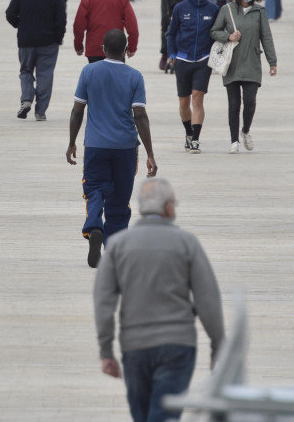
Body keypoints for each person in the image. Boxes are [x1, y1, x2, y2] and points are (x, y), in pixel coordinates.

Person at [93, 177, 224, 422]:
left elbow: (103, 301)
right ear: (168, 207)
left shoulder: (118, 245)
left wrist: (106, 350)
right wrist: (218, 345)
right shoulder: (187, 243)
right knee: (164, 416)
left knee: (142, 416)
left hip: (135, 347)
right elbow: (208, 299)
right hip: (178, 345)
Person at [66, 30, 156, 268]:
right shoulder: (135, 76)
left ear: (103, 48)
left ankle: (95, 226)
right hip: (125, 147)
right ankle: (115, 247)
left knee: (94, 189)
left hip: (96, 145)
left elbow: (77, 111)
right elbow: (140, 116)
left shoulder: (89, 71)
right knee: (119, 199)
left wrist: (72, 141)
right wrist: (150, 153)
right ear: (126, 50)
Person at [211, 0, 277, 155]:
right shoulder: (227, 10)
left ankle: (245, 130)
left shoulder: (259, 11)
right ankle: (234, 141)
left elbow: (267, 37)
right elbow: (214, 31)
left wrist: (273, 62)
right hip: (231, 64)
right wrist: (228, 36)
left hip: (252, 63)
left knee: (249, 101)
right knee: (233, 104)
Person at [5, 0, 66, 121]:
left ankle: (26, 99)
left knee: (25, 71)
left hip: (26, 41)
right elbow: (61, 20)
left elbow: (10, 14)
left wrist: (20, 26)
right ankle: (40, 111)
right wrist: (59, 37)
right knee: (45, 75)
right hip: (48, 42)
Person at [167, 0, 218, 153]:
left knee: (198, 97)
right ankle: (188, 132)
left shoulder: (213, 10)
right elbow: (171, 33)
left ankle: (196, 138)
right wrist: (171, 54)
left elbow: (218, 34)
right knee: (183, 102)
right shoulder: (180, 8)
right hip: (182, 59)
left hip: (203, 60)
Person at [74, 0, 139, 63]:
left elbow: (79, 25)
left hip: (94, 47)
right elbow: (132, 25)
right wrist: (132, 47)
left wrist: (78, 46)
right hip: (116, 47)